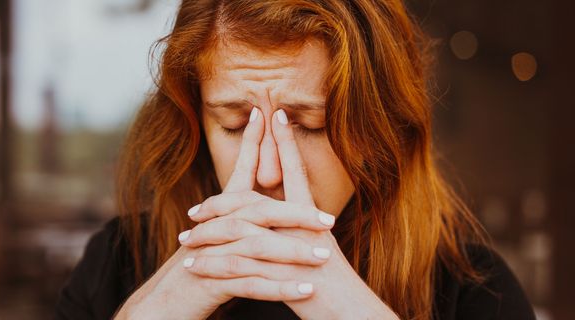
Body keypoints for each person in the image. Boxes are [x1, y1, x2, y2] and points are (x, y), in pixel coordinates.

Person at [55, 0, 536, 319]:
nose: (267, 171)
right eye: (235, 123)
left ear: (382, 128)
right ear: (194, 121)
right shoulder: (116, 264)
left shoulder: (475, 292)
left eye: (309, 125)